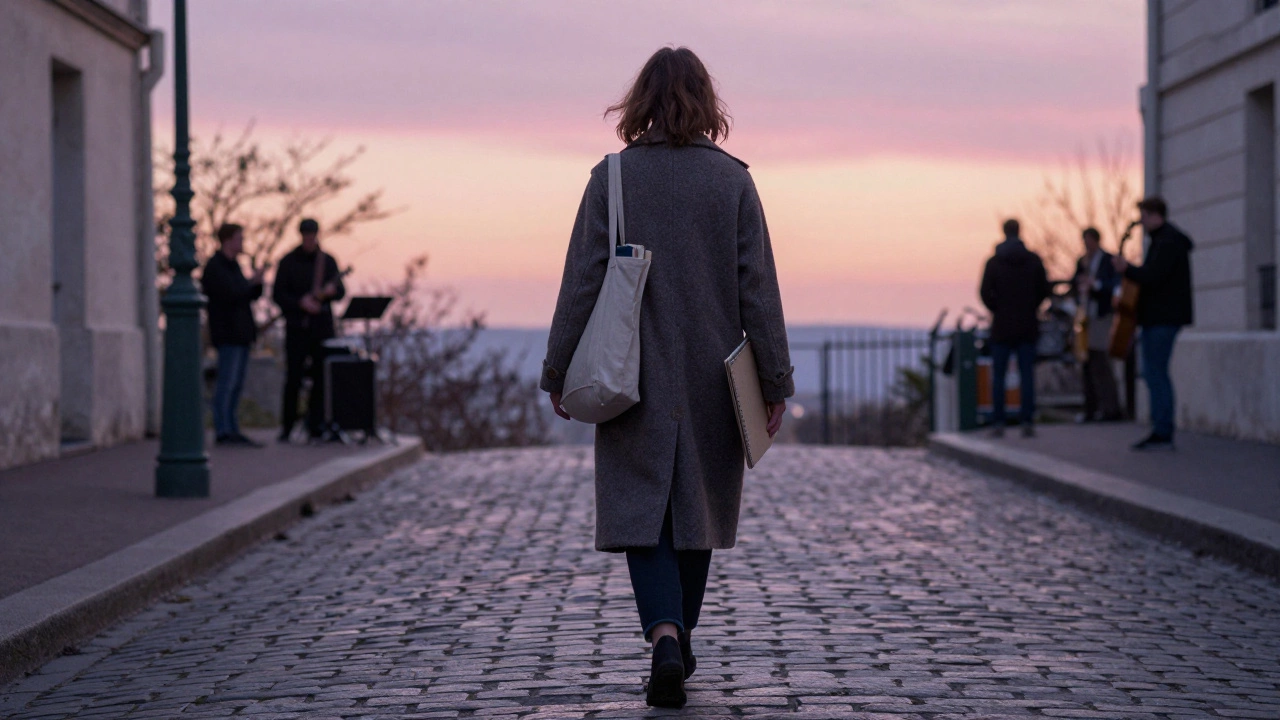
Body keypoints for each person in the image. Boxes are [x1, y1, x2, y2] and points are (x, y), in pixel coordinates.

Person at [540, 47, 792, 709]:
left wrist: (558, 367)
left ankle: (664, 636)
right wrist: (775, 379)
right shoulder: (734, 181)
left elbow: (582, 282)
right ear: (708, 102)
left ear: (640, 101)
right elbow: (757, 290)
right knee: (697, 511)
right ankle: (679, 632)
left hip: (631, 373)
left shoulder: (612, 178)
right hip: (714, 376)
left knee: (640, 512)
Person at [1113, 197, 1194, 450]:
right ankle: (1161, 428)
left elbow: (1152, 277)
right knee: (1155, 373)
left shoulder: (1167, 242)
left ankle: (1162, 430)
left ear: (1154, 214)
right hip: (1160, 317)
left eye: (1144, 216)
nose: (1142, 222)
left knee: (1155, 373)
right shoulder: (1164, 240)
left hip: (1162, 318)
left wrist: (1127, 269)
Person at [272, 218, 346, 442]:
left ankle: (317, 423)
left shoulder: (328, 261)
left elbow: (341, 292)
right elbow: (278, 294)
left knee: (322, 376)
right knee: (293, 376)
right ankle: (287, 425)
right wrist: (299, 303)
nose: (309, 238)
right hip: (297, 328)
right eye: (306, 234)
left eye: (312, 234)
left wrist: (332, 291)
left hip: (321, 328)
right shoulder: (288, 262)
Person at [979, 218, 1051, 438]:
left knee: (998, 377)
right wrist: (1030, 307)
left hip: (1002, 327)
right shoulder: (1032, 261)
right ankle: (1026, 420)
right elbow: (1044, 290)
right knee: (1026, 375)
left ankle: (998, 421)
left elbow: (984, 292)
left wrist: (998, 309)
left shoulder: (994, 262)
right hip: (1027, 325)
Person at [201, 223, 265, 447]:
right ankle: (223, 430)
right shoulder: (216, 267)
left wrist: (257, 284)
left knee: (235, 383)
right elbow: (231, 294)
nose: (242, 243)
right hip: (227, 334)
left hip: (241, 334)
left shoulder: (233, 266)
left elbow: (246, 295)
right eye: (239, 238)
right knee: (226, 383)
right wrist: (250, 284)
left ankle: (232, 427)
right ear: (227, 240)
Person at [1072, 227, 1123, 422]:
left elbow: (1114, 285)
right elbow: (1074, 283)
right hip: (1085, 316)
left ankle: (1110, 408)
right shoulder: (1082, 261)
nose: (1086, 245)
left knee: (1100, 360)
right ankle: (1091, 408)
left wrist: (1096, 284)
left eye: (1088, 241)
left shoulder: (1107, 260)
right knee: (1085, 362)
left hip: (1101, 317)